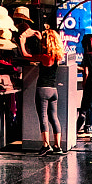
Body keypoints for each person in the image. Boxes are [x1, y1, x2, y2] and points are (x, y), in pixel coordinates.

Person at [32, 19, 69, 152]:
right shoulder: (57, 57)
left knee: (43, 117)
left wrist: (23, 42)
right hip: (54, 90)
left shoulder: (44, 57)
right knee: (54, 117)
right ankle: (57, 146)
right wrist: (42, 38)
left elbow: (26, 55)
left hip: (42, 89)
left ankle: (45, 145)